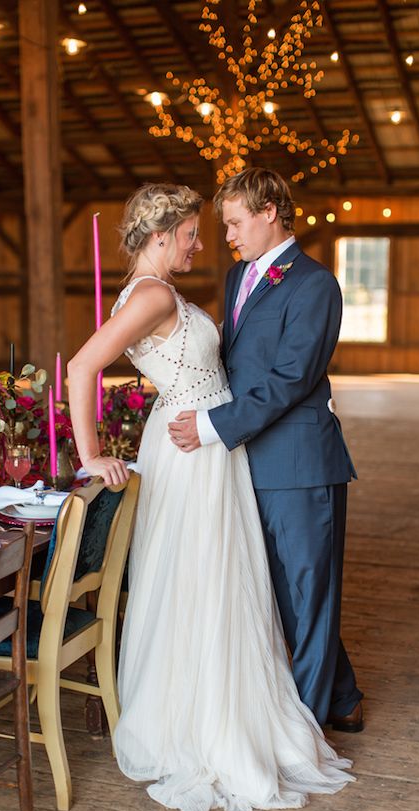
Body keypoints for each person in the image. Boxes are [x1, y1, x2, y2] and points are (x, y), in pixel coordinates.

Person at [67, 182, 354, 811]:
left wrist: (218, 423)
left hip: (219, 444)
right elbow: (83, 366)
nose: (209, 241)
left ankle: (318, 699)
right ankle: (213, 717)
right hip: (195, 448)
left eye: (221, 225)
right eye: (197, 231)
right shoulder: (152, 294)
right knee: (205, 581)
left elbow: (275, 369)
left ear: (268, 213)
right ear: (163, 235)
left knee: (236, 582)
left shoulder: (300, 285)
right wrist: (90, 455)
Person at [168, 168, 363, 732]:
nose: (226, 234)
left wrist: (212, 426)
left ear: (270, 210)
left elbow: (292, 376)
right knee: (281, 590)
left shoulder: (315, 284)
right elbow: (235, 360)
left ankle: (301, 727)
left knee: (308, 592)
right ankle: (344, 697)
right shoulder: (236, 279)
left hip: (301, 462)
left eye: (234, 222)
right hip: (248, 457)